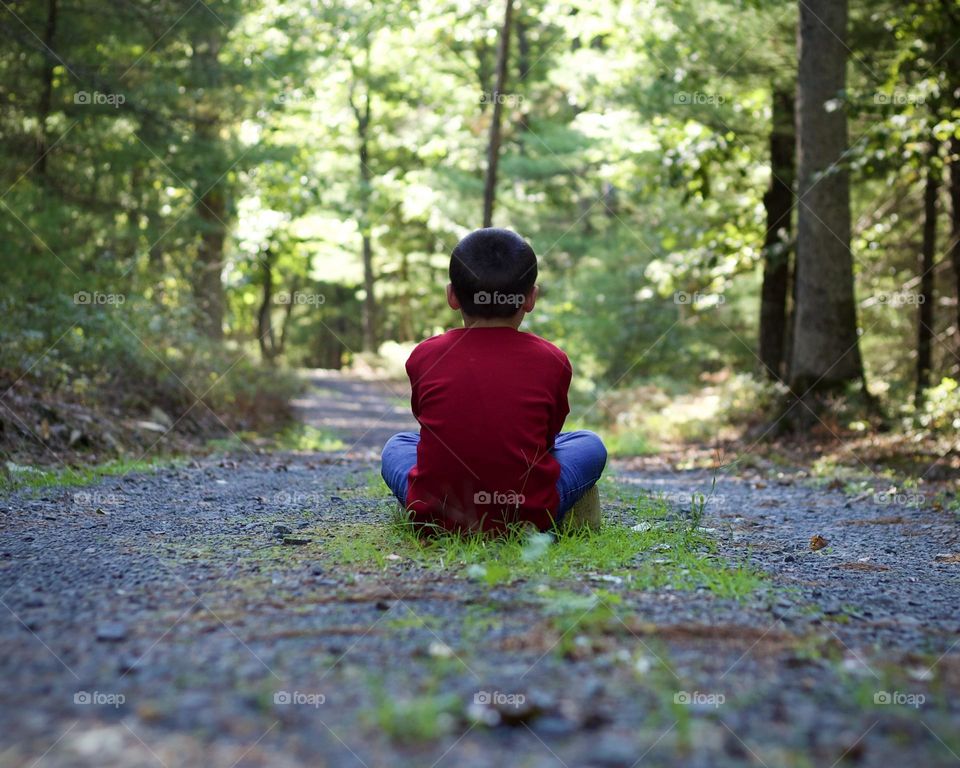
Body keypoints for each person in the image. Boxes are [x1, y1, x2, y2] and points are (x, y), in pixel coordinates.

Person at [380, 227, 607, 534]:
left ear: (452, 296)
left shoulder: (425, 354)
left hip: (437, 514)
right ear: (530, 299)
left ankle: (429, 503)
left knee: (397, 445)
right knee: (589, 444)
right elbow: (546, 438)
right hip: (528, 512)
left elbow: (429, 423)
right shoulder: (552, 359)